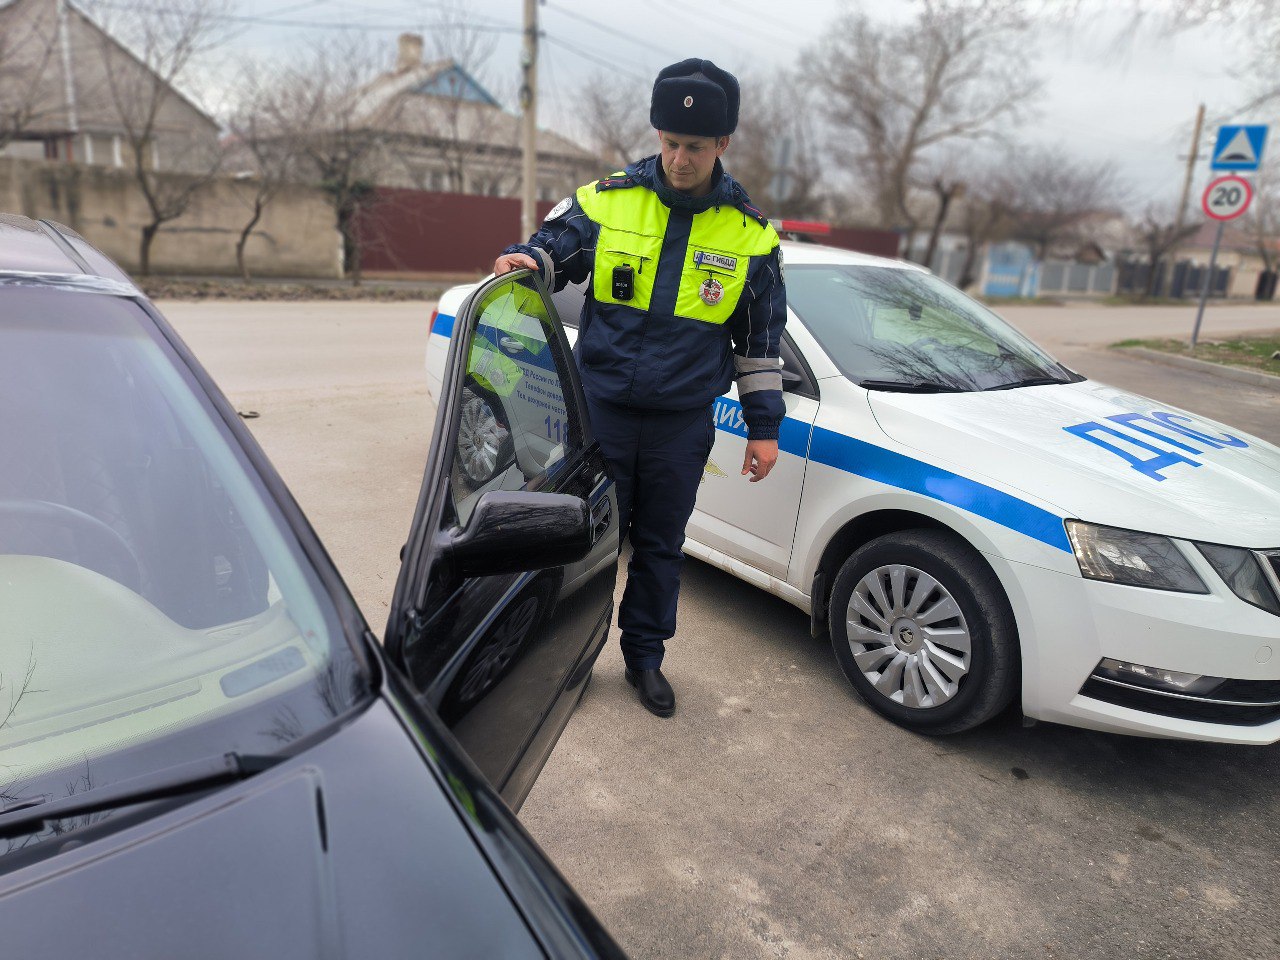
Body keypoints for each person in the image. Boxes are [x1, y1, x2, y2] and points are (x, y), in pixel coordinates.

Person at [493, 58, 787, 718]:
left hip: (681, 424)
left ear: (723, 145)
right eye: (670, 142)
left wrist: (764, 428)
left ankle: (644, 659)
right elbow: (554, 248)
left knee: (659, 547)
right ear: (658, 135)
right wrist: (527, 260)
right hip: (601, 413)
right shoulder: (606, 200)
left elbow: (760, 345)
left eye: (695, 146)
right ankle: (565, 655)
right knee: (584, 540)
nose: (679, 158)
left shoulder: (750, 234)